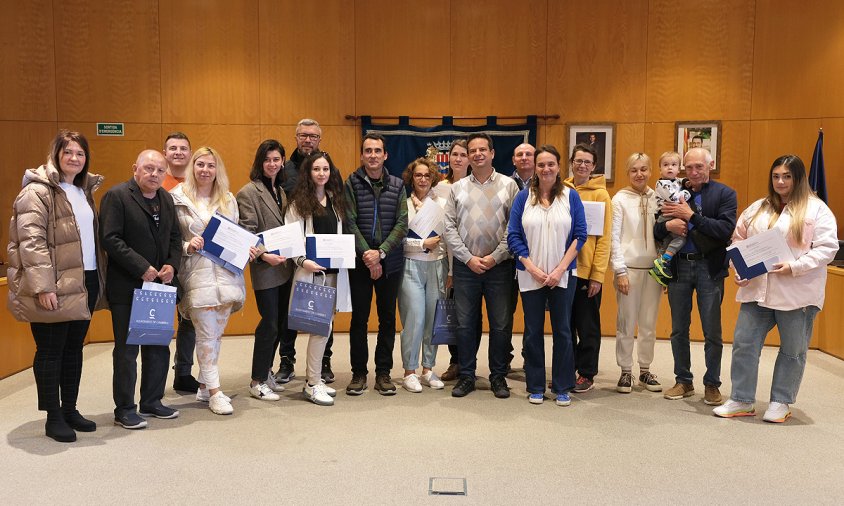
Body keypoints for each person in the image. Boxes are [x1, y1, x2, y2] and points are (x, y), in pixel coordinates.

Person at [714, 155, 838, 422]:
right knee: (744, 343)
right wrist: (740, 272)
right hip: (757, 290)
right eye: (776, 176)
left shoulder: (817, 210)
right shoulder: (759, 207)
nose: (780, 182)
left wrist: (795, 266)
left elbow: (828, 248)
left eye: (787, 176)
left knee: (793, 350)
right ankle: (742, 399)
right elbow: (739, 239)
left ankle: (781, 401)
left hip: (797, 292)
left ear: (799, 178)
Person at [7, 130, 106, 442]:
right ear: (56, 155)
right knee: (51, 349)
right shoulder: (36, 192)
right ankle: (52, 416)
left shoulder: (83, 190)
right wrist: (42, 286)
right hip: (53, 284)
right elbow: (31, 243)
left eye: (80, 153)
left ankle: (70, 409)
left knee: (74, 348)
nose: (74, 158)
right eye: (68, 152)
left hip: (84, 280)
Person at [100, 149, 182, 429]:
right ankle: (124, 408)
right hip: (128, 288)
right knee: (127, 351)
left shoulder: (166, 199)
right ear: (135, 168)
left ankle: (152, 401)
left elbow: (175, 236)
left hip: (159, 288)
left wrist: (172, 264)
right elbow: (110, 238)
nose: (154, 175)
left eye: (160, 170)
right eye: (148, 169)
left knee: (158, 347)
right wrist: (141, 266)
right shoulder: (117, 196)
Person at [171, 147, 249, 415]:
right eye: (200, 164)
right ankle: (216, 393)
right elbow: (169, 239)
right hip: (197, 273)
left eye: (211, 165)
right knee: (205, 335)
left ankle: (204, 387)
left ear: (218, 169)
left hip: (226, 276)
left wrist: (246, 249)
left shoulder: (228, 198)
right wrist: (186, 245)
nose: (205, 170)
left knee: (215, 335)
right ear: (193, 167)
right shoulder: (177, 198)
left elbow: (236, 234)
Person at [655, 147, 736, 406]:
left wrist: (692, 217)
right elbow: (657, 228)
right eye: (688, 167)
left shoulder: (725, 194)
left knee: (712, 330)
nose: (693, 172)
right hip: (679, 266)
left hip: (708, 269)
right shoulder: (672, 190)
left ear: (710, 165)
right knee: (679, 329)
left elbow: (724, 230)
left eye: (699, 167)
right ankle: (684, 381)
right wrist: (667, 225)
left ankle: (712, 384)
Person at [508, 145, 586, 406]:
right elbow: (513, 236)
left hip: (563, 275)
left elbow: (580, 235)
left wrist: (559, 269)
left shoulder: (571, 197)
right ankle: (536, 385)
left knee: (563, 331)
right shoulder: (523, 198)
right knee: (532, 332)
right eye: (541, 164)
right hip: (531, 275)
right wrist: (532, 268)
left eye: (550, 164)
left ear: (558, 166)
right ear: (535, 168)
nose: (545, 169)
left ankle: (563, 385)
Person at [444, 132, 519, 399]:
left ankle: (498, 377)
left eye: (482, 150)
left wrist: (495, 257)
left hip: (499, 267)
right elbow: (449, 227)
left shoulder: (510, 186)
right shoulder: (457, 188)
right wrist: (468, 258)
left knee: (500, 324)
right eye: (472, 150)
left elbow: (514, 227)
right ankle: (466, 376)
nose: (477, 154)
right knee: (465, 325)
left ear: (492, 153)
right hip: (467, 267)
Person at [344, 132, 408, 396]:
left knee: (387, 320)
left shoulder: (397, 184)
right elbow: (349, 222)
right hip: (359, 263)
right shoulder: (352, 182)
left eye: (377, 151)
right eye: (368, 151)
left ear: (385, 155)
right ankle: (359, 373)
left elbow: (402, 223)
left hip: (389, 263)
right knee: (359, 319)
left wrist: (380, 253)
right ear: (362, 155)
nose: (372, 155)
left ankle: (383, 373)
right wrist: (368, 256)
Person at [285, 151, 351, 406]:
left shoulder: (336, 200)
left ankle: (314, 378)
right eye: (316, 169)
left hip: (333, 274)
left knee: (325, 329)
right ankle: (312, 383)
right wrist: (303, 261)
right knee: (317, 329)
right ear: (308, 173)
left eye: (325, 169)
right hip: (311, 272)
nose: (321, 173)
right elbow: (292, 240)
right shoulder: (298, 203)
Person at [277, 119, 336, 385]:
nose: (307, 139)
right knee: (294, 314)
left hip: (328, 265)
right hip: (295, 259)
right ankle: (287, 362)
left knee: (323, 319)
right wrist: (300, 258)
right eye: (303, 135)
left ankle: (322, 366)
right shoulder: (284, 168)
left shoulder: (335, 195)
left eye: (313, 135)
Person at [236, 139, 293, 402]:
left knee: (280, 324)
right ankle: (257, 380)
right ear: (261, 162)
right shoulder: (248, 192)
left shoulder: (281, 191)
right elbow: (246, 232)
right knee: (268, 324)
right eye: (268, 159)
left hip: (284, 269)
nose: (272, 164)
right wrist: (264, 256)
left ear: (283, 162)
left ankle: (267, 372)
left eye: (277, 159)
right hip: (266, 269)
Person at [610, 153, 663, 394]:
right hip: (629, 269)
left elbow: (665, 236)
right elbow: (613, 237)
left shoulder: (659, 198)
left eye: (643, 169)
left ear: (651, 171)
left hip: (653, 270)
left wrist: (664, 270)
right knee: (626, 322)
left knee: (649, 323)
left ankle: (644, 369)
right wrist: (619, 270)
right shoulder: (619, 199)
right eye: (634, 170)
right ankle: (625, 371)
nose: (639, 174)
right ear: (627, 172)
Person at [398, 158, 449, 393]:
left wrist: (452, 271)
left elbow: (450, 238)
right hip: (411, 265)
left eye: (427, 175)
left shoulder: (443, 203)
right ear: (411, 177)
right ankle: (410, 371)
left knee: (432, 320)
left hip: (437, 265)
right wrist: (421, 244)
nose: (423, 179)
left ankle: (428, 368)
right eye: (418, 175)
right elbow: (398, 240)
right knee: (414, 319)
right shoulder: (404, 204)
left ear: (433, 178)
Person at [564, 143, 612, 393]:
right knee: (565, 325)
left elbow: (604, 239)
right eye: (578, 160)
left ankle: (586, 373)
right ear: (571, 162)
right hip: (564, 270)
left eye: (587, 162)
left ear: (594, 167)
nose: (582, 165)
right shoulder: (561, 189)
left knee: (587, 325)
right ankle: (566, 370)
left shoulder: (601, 194)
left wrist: (598, 275)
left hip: (586, 272)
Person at [437, 139, 482, 382]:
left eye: (463, 154)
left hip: (471, 260)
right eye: (454, 154)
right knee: (454, 314)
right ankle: (456, 362)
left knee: (473, 317)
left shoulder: (476, 187)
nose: (458, 158)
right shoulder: (439, 188)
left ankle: (468, 362)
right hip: (447, 259)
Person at [161, 132, 200, 394]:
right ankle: (155, 381)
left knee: (189, 320)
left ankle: (183, 372)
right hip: (162, 264)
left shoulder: (197, 184)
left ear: (190, 153)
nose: (178, 152)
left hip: (191, 264)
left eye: (183, 148)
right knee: (161, 323)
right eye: (173, 148)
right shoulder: (156, 180)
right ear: (165, 153)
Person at [649, 151, 691, 286]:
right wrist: (687, 192)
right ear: (660, 169)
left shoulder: (676, 180)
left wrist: (686, 182)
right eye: (665, 165)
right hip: (665, 217)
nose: (670, 168)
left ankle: (659, 266)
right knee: (681, 238)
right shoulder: (661, 184)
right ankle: (665, 259)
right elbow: (675, 198)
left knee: (667, 242)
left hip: (671, 215)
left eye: (674, 165)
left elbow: (682, 181)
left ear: (679, 169)